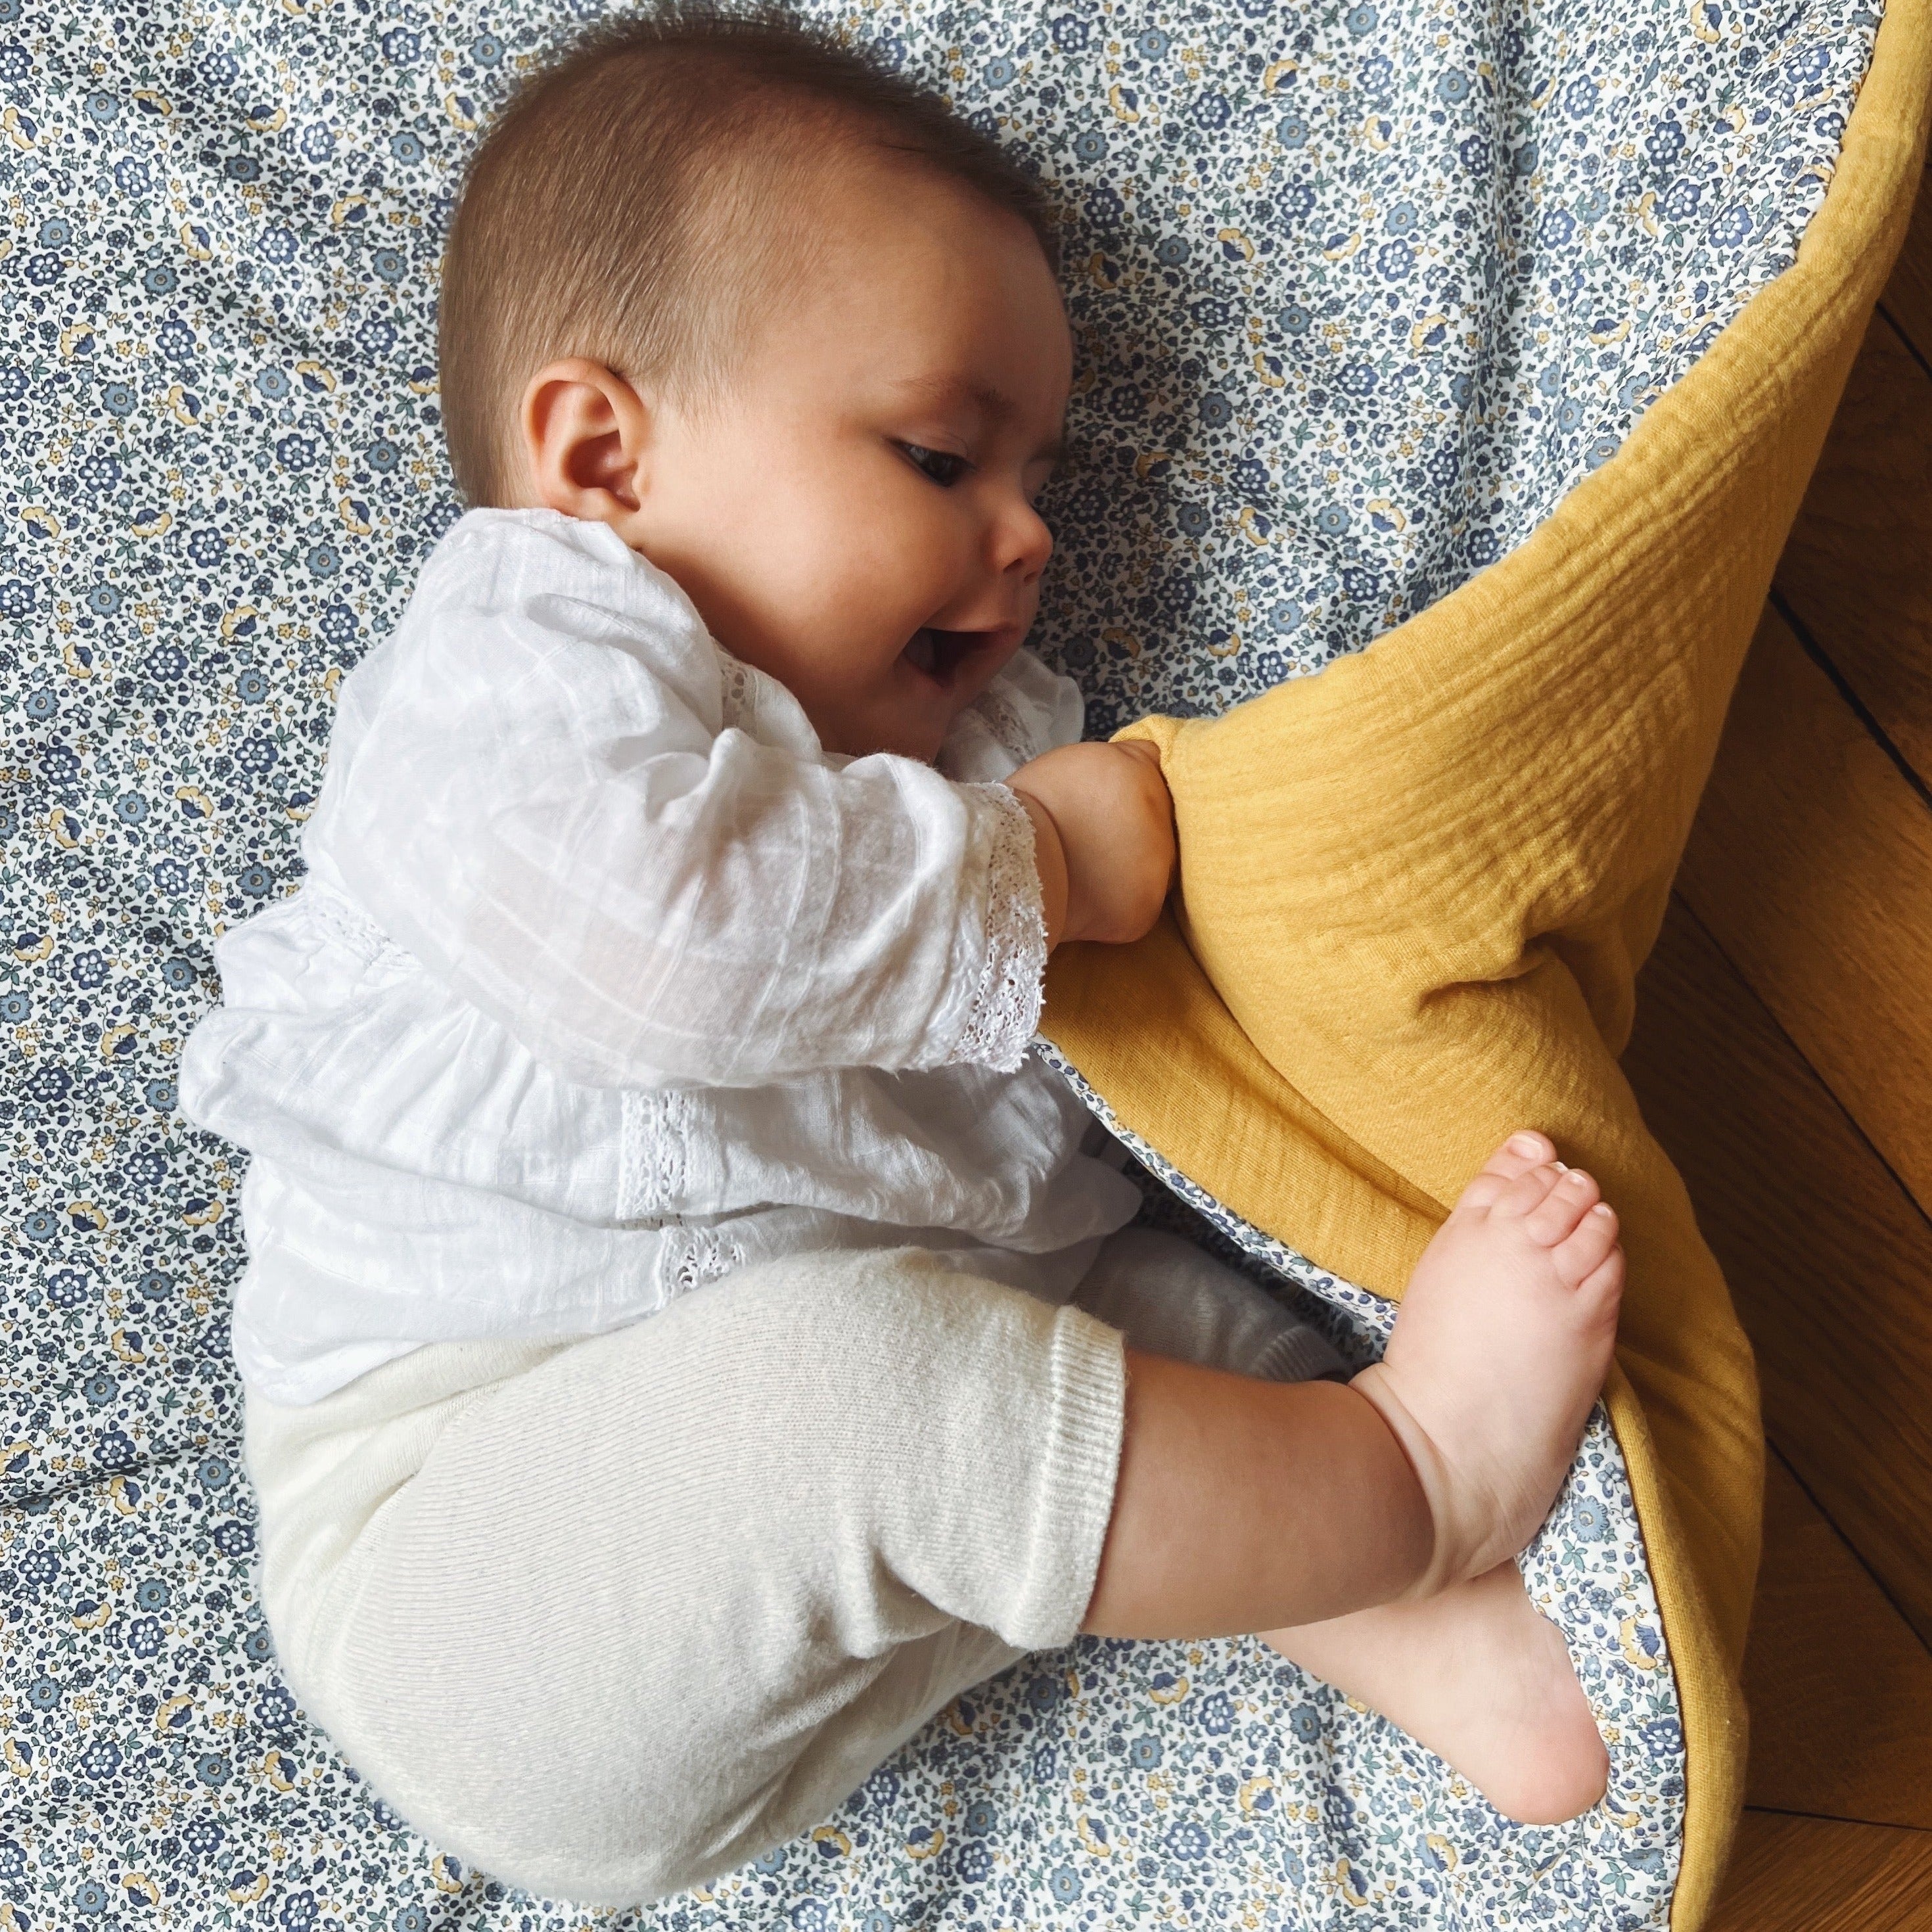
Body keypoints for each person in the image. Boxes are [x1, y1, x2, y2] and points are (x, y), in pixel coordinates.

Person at [179, 7, 1624, 1906]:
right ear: (603, 455)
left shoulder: (965, 742)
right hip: (472, 1585)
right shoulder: (515, 671)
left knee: (1120, 1307)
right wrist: (1043, 862)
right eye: (941, 455)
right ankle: (1413, 1483)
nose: (1026, 536)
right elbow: (671, 956)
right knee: (867, 1384)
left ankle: (1368, 1594)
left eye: (1039, 477)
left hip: (869, 1522)